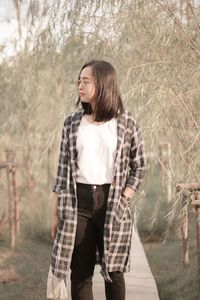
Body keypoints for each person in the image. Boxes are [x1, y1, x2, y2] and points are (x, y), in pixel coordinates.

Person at [47, 60, 145, 300]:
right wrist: (56, 213)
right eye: (78, 81)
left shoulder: (127, 122)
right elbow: (62, 173)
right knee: (80, 272)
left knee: (114, 271)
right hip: (77, 203)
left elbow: (139, 167)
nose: (80, 85)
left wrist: (125, 197)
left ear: (103, 83)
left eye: (85, 80)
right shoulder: (71, 122)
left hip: (112, 202)